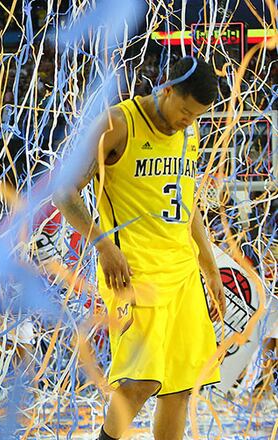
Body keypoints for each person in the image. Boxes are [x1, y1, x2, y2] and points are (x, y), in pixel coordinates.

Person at [53, 56, 225, 440]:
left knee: (180, 388)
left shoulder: (189, 134)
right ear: (167, 90)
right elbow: (64, 191)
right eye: (185, 111)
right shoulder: (118, 123)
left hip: (182, 272)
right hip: (134, 273)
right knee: (139, 382)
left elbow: (187, 203)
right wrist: (103, 246)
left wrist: (210, 269)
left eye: (196, 116)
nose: (188, 121)